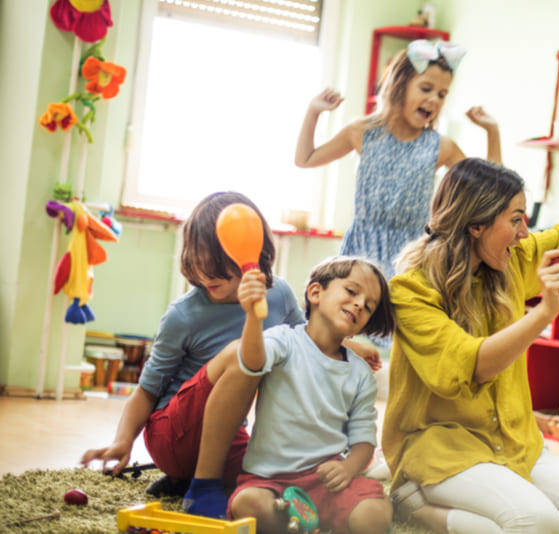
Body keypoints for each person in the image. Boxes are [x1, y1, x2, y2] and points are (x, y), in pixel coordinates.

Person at [382, 152, 559, 534]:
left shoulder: (510, 261)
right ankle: (416, 506)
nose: (524, 233)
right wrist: (543, 314)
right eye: (516, 219)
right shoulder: (411, 290)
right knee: (537, 521)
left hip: (514, 442)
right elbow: (470, 365)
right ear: (476, 225)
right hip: (441, 447)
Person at [79, 192, 379, 496]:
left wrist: (353, 349)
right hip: (171, 433)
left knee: (269, 480)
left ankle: (186, 482)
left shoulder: (276, 295)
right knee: (241, 353)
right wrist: (123, 440)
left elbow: (304, 341)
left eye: (216, 264)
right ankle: (198, 482)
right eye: (196, 262)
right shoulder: (182, 316)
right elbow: (147, 390)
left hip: (225, 436)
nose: (205, 274)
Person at [187, 256, 396, 534]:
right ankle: (295, 524)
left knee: (374, 514)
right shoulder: (284, 340)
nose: (359, 304)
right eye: (351, 291)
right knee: (249, 505)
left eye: (368, 306)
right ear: (315, 293)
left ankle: (306, 524)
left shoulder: (360, 374)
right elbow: (252, 362)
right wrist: (252, 316)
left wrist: (348, 469)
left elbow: (364, 442)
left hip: (328, 484)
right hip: (270, 481)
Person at [295, 39, 501, 280]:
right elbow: (305, 159)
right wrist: (313, 112)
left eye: (442, 94)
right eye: (426, 89)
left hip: (410, 258)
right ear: (400, 86)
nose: (434, 99)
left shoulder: (440, 147)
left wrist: (492, 132)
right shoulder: (363, 132)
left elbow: (493, 190)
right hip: (360, 253)